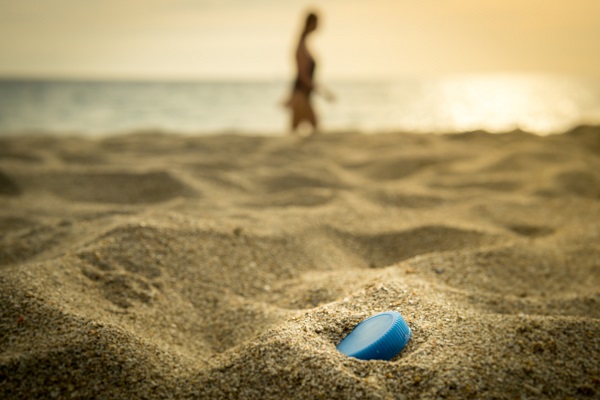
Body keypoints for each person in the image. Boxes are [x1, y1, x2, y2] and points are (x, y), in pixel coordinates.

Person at [285, 12, 332, 134]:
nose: (318, 25)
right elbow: (302, 76)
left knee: (293, 133)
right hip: (301, 95)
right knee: (314, 129)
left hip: (303, 95)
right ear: (310, 23)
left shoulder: (304, 44)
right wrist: (323, 92)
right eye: (316, 22)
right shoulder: (301, 46)